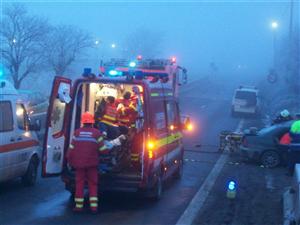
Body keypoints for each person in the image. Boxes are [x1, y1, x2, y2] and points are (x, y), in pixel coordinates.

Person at [67, 112, 108, 213]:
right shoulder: (97, 133)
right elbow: (103, 150)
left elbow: (71, 149)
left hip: (79, 164)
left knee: (79, 184)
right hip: (92, 164)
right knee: (93, 184)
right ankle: (93, 207)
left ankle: (78, 206)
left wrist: (68, 159)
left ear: (83, 122)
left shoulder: (77, 133)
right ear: (92, 122)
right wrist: (106, 150)